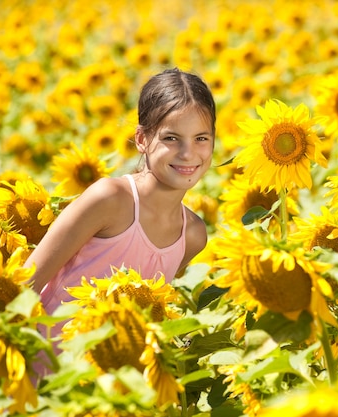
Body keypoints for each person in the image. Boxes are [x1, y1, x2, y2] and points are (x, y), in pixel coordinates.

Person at [24, 67, 216, 316]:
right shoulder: (109, 200)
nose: (188, 153)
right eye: (171, 138)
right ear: (141, 139)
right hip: (45, 351)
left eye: (201, 138)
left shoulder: (192, 234)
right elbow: (25, 286)